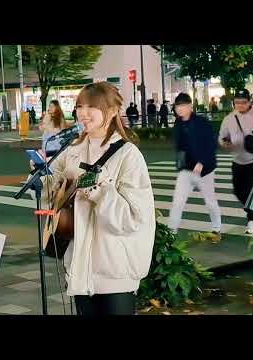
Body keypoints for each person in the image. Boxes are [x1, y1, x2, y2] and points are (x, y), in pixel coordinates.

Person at [31, 82, 155, 315]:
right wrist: (42, 175)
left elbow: (134, 219)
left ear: (111, 111)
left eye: (91, 107)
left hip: (115, 269)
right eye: (79, 106)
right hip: (80, 265)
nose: (82, 113)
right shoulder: (72, 149)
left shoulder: (128, 155)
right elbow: (52, 193)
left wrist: (100, 192)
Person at [218, 89, 253, 234]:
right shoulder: (229, 118)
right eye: (237, 103)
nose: (240, 105)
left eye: (243, 102)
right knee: (238, 190)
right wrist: (225, 144)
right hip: (238, 160)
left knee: (252, 191)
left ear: (249, 102)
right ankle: (252, 210)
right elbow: (222, 137)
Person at [168, 93, 221, 241]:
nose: (179, 109)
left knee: (210, 201)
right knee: (177, 202)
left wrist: (202, 162)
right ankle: (170, 233)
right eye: (177, 106)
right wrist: (180, 163)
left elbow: (211, 145)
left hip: (204, 170)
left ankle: (216, 229)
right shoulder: (178, 124)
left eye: (182, 106)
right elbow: (180, 146)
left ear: (190, 106)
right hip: (186, 170)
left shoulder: (202, 122)